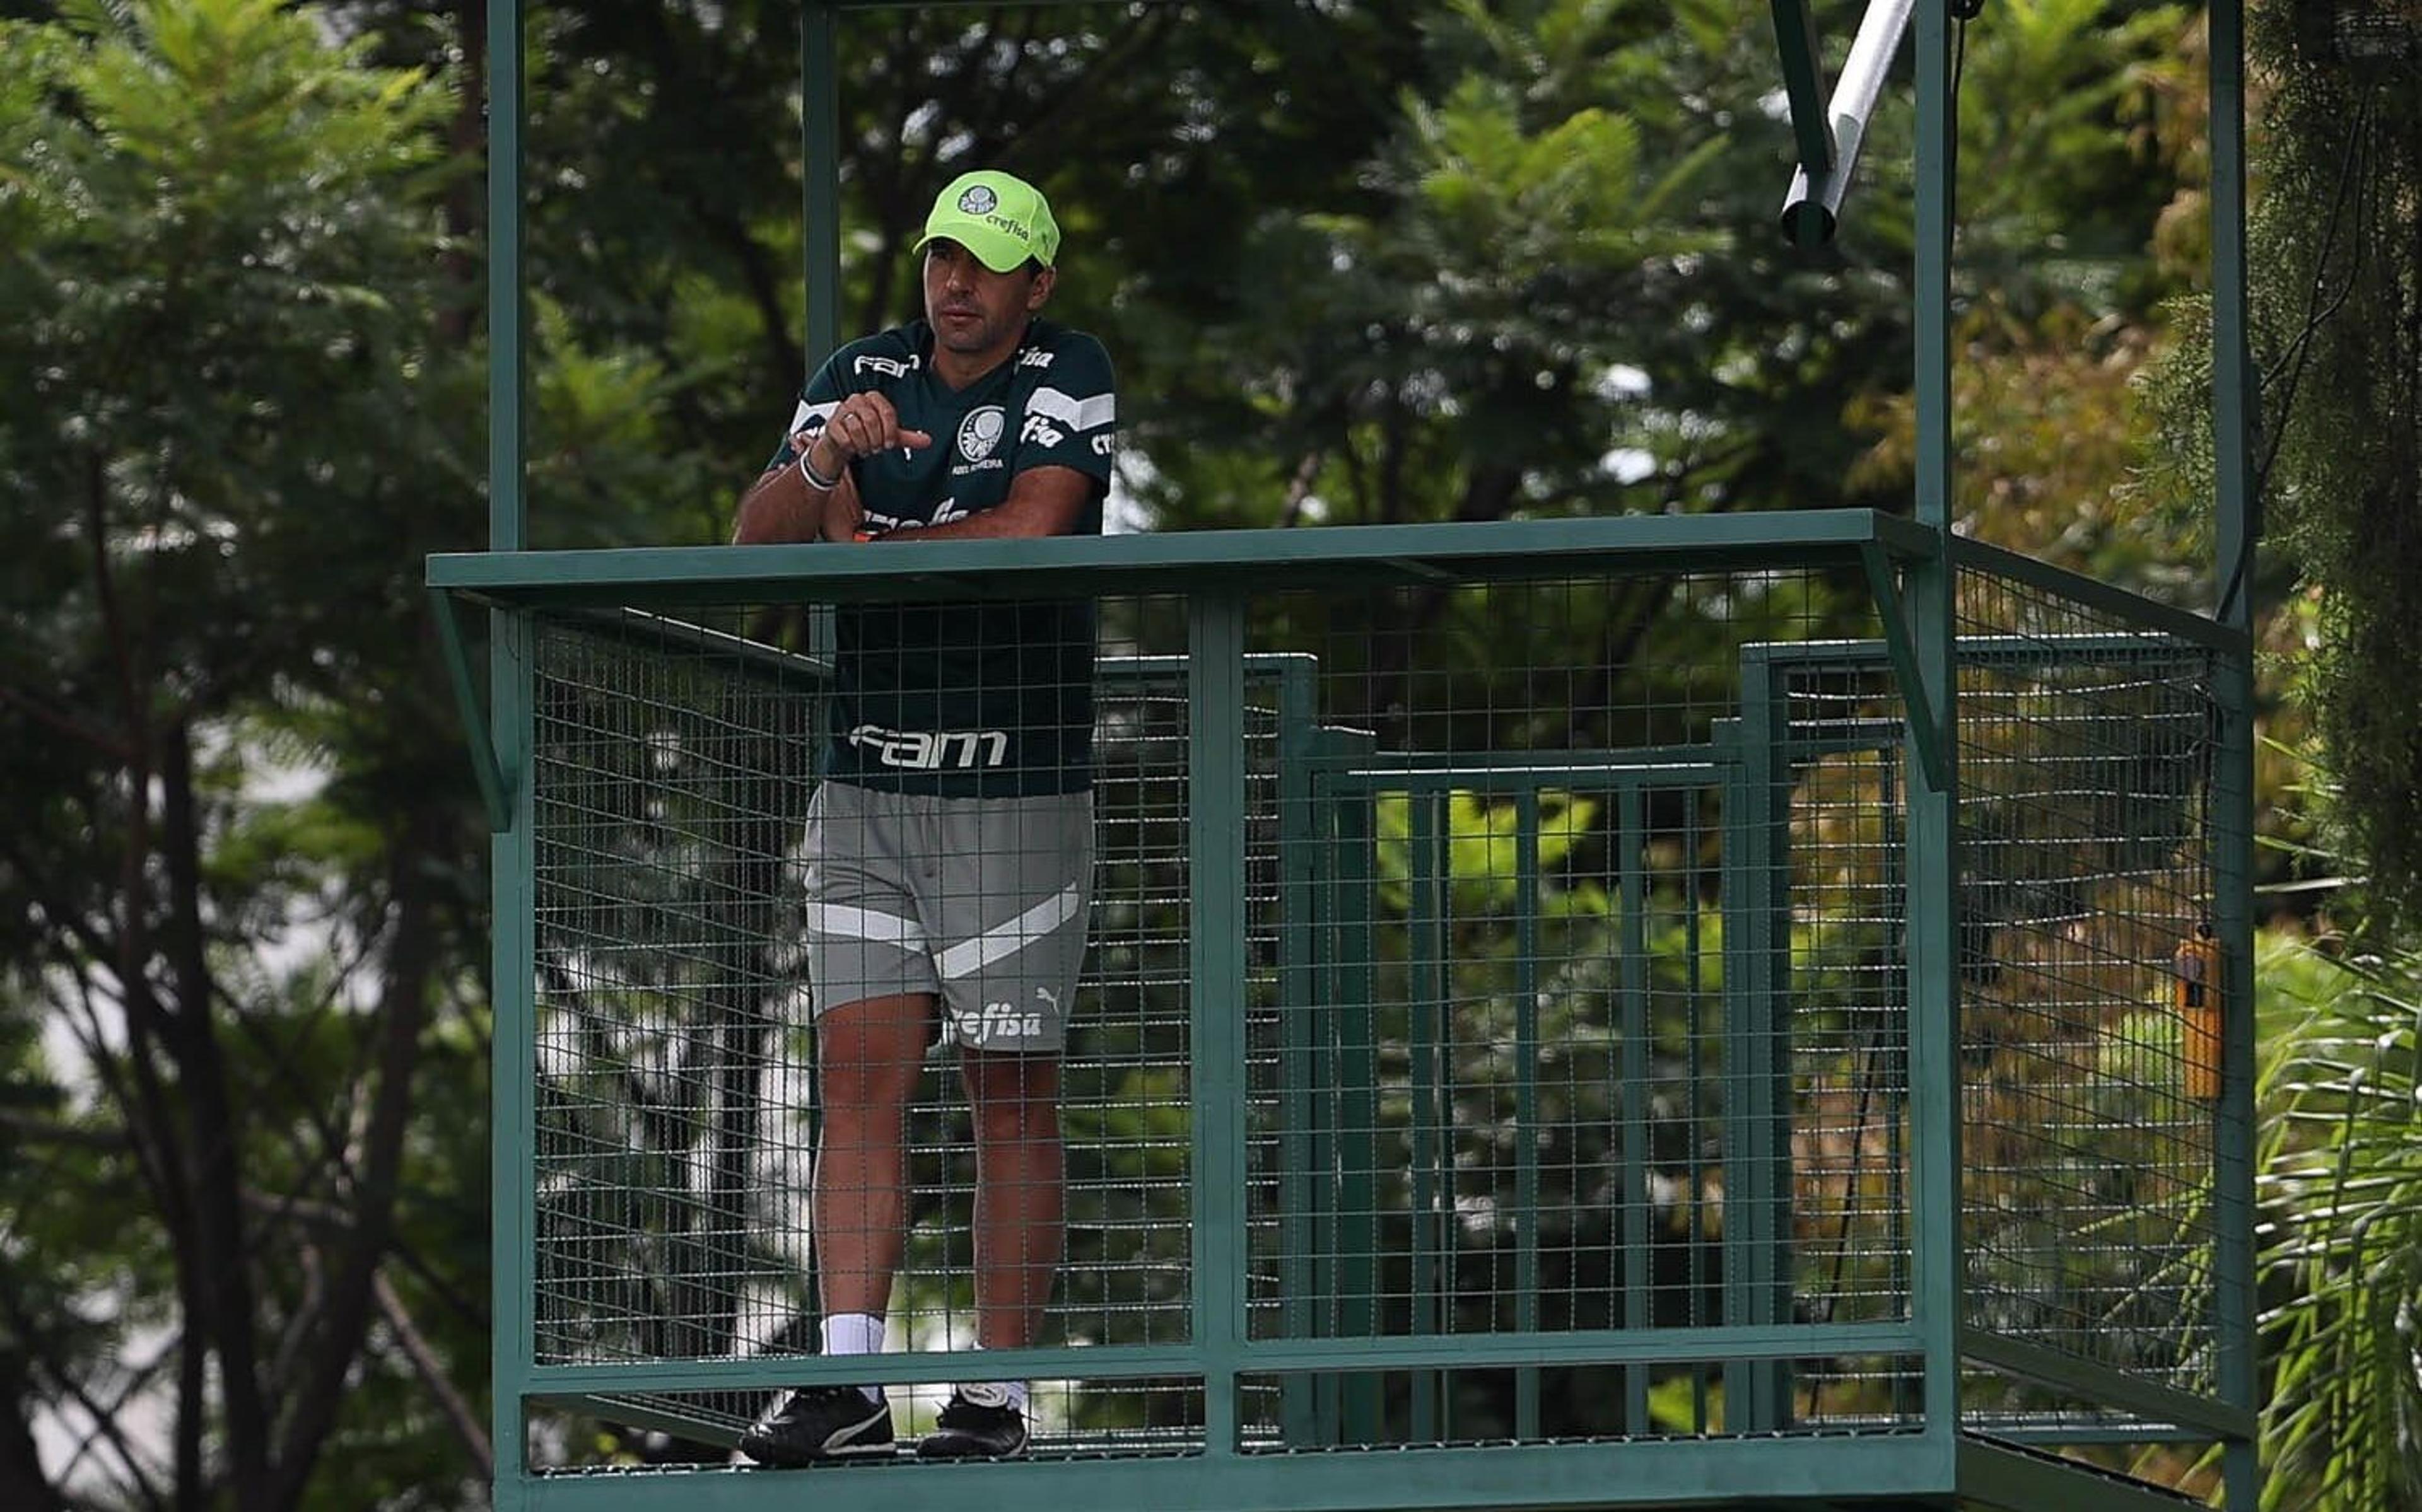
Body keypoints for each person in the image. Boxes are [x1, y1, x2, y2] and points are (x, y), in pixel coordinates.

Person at [730, 169, 1116, 1464]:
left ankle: (995, 1394)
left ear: (1036, 286)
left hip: (1019, 784)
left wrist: (868, 555)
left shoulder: (1071, 370)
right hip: (869, 779)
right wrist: (824, 454)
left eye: (989, 262)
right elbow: (755, 544)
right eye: (945, 255)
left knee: (1008, 1084)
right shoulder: (863, 367)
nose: (957, 282)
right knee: (856, 1079)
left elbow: (1035, 523)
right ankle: (848, 1379)